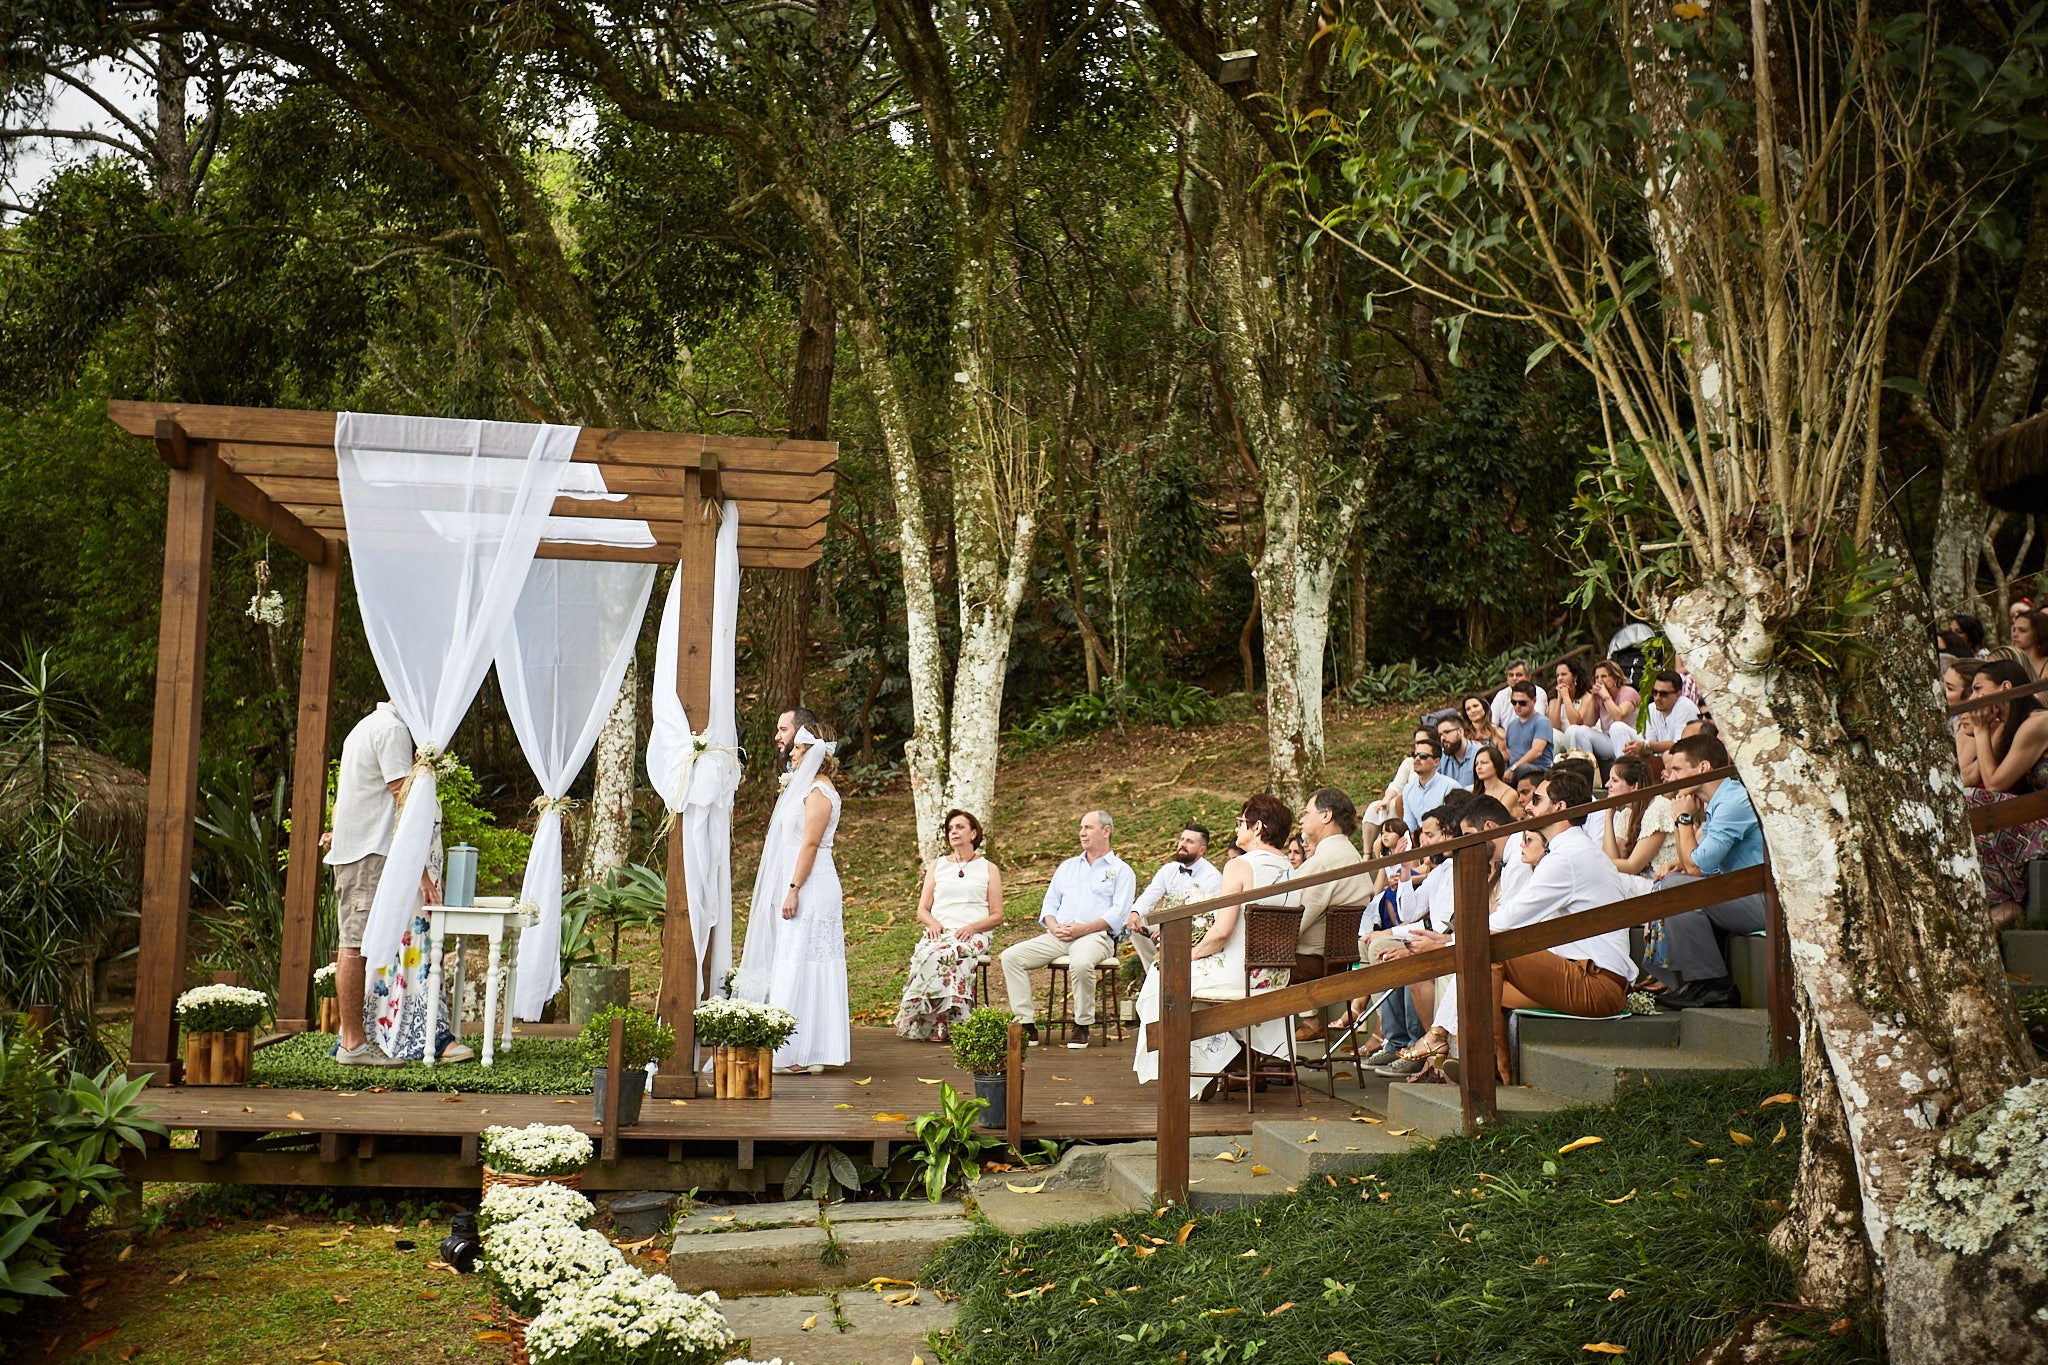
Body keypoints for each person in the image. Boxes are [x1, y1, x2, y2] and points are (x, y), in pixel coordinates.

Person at [1405, 770, 1634, 1084]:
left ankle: (1456, 1047)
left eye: (1537, 800)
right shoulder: (1568, 852)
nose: (1528, 806)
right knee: (1486, 986)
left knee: (1495, 946)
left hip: (1597, 983)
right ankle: (1497, 1074)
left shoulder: (1568, 856)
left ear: (1559, 808)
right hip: (1584, 974)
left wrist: (1445, 944)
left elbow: (1510, 919)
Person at [1133, 794, 1297, 1098]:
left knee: (1165, 974)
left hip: (1240, 972)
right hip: (1274, 974)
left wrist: (1188, 954)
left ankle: (1214, 1063)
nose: (1237, 828)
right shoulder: (1289, 867)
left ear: (1257, 826)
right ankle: (1220, 1062)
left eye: (1240, 822)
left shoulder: (1240, 865)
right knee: (1177, 976)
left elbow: (1222, 933)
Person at [323, 702, 437, 1067]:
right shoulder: (391, 731)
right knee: (354, 946)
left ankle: (355, 1039)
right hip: (368, 854)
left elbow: (344, 797)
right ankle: (353, 1044)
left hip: (358, 850)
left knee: (356, 944)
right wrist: (421, 874)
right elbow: (404, 801)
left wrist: (336, 832)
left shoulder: (365, 725)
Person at [733, 723, 850, 1073]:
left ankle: (803, 1051)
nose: (792, 753)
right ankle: (804, 1049)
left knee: (805, 961)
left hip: (812, 886)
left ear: (814, 752)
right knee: (796, 960)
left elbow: (810, 844)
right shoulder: (806, 788)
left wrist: (793, 889)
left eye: (798, 748)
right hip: (801, 883)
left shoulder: (818, 792)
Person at [1650, 734, 1767, 1009]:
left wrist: (1682, 820)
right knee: (1669, 881)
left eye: (1677, 769)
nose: (1671, 777)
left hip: (1764, 900)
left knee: (1675, 886)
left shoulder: (1734, 801)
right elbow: (1690, 861)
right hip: (1740, 893)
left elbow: (1695, 866)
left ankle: (1714, 985)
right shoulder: (1717, 802)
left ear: (1703, 768)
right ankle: (1694, 983)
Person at [1002, 810, 1135, 1049]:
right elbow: (1050, 903)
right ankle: (1026, 1024)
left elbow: (1118, 913)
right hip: (1060, 934)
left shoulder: (1122, 870)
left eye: (1088, 827)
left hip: (1096, 936)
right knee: (1011, 957)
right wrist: (1053, 926)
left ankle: (1082, 1024)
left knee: (1082, 962)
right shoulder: (1068, 867)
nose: (1082, 832)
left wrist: (1083, 929)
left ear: (1106, 831)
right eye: (1081, 827)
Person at [894, 810, 1006, 1043]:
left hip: (974, 932)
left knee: (952, 953)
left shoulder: (988, 868)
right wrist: (933, 923)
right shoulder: (938, 866)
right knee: (929, 953)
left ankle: (945, 1021)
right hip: (941, 932)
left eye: (959, 827)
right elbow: (922, 909)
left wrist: (974, 927)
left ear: (973, 833)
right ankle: (937, 1018)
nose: (953, 832)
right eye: (950, 829)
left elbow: (997, 915)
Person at [1959, 660, 2048, 930]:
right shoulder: (2012, 725)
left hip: (2041, 817)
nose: (1972, 699)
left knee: (1974, 802)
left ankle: (2006, 900)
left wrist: (1982, 730)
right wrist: (1983, 731)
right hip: (2038, 814)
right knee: (1966, 799)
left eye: (1977, 689)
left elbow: (1995, 784)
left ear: (2005, 688)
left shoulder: (2037, 723)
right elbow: (1972, 776)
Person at [1291, 787, 1374, 1041]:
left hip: (1309, 962)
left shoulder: (1323, 862)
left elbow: (1293, 923)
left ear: (1326, 816)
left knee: (1234, 969)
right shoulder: (1352, 857)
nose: (1302, 819)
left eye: (1306, 813)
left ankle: (1244, 1057)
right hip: (1339, 960)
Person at [1127, 824, 1224, 971]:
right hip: (1168, 923)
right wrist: (1136, 912)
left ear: (1202, 850)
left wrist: (1171, 927)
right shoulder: (1169, 869)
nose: (1182, 844)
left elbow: (1209, 918)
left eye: (1189, 842)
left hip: (1197, 930)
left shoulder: (1212, 877)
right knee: (1136, 925)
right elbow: (1150, 895)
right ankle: (1154, 972)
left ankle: (1177, 973)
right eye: (1182, 839)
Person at [1563, 659, 1642, 768]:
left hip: (1631, 740)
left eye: (1604, 676)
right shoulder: (1599, 697)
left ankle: (1623, 770)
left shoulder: (1628, 692)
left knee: (1616, 727)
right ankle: (1589, 772)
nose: (1599, 681)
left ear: (1615, 678)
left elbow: (1619, 717)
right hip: (1609, 741)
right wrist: (1593, 699)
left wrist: (1606, 697)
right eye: (1596, 678)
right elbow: (1588, 723)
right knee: (1581, 731)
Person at [1625, 671, 1699, 760]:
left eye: (1663, 694)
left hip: (1685, 759)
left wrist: (1645, 745)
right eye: (1655, 692)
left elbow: (1679, 745)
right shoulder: (1651, 708)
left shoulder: (1685, 707)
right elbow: (1651, 744)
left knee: (1667, 756)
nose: (1657, 698)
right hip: (1660, 758)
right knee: (1617, 728)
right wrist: (1638, 748)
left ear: (1678, 694)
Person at [1400, 733, 1458, 832]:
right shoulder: (1408, 789)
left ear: (1436, 762)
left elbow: (1454, 825)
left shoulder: (1450, 787)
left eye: (1423, 756)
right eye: (1415, 755)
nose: (1417, 759)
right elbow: (1410, 826)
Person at [1504, 680, 1555, 772]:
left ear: (1534, 701)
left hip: (1537, 771)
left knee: (1523, 769)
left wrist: (1513, 768)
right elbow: (1509, 753)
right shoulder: (1512, 725)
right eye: (1514, 702)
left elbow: (1537, 752)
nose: (1517, 706)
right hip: (1514, 769)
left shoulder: (1542, 722)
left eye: (1522, 703)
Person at [1489, 661, 1550, 733]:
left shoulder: (1538, 693)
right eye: (1511, 675)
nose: (1514, 678)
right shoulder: (1501, 695)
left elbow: (1536, 722)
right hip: (1506, 738)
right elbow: (1491, 723)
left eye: (1519, 675)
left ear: (1528, 677)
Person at [1548, 658, 1596, 738]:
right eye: (1557, 675)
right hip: (1562, 738)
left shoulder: (1587, 697)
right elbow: (1553, 727)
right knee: (1553, 734)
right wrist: (1559, 699)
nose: (1560, 678)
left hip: (1580, 737)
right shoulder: (1553, 701)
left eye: (1564, 674)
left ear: (1575, 677)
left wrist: (1566, 698)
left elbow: (1576, 723)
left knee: (1572, 730)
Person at [1470, 743, 1521, 817]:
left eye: (1484, 763)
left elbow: (1496, 819)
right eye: (1476, 764)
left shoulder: (1510, 794)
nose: (1479, 767)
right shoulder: (1474, 792)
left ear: (1496, 765)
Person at [1436, 714, 1479, 787]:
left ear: (1460, 732)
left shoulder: (1479, 754)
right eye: (1440, 735)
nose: (1442, 738)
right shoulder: (1442, 757)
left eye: (1446, 732)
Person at [2014, 607, 2048, 679]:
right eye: (2014, 630)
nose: (2015, 634)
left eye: (2023, 630)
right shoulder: (2011, 663)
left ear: (2038, 633)